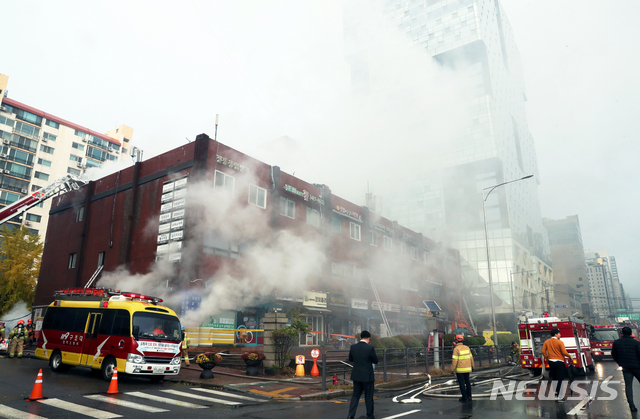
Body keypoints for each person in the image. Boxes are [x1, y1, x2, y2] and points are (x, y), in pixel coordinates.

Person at [347, 330, 379, 419]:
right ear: (368, 338)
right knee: (368, 397)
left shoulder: (353, 347)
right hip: (367, 376)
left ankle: (350, 415)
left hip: (356, 375)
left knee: (355, 396)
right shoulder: (370, 348)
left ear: (360, 338)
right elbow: (375, 360)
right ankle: (370, 416)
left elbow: (350, 359)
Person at [612, 326, 640, 412]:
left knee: (628, 386)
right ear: (631, 333)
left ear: (622, 333)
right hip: (637, 367)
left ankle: (632, 406)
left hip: (626, 368)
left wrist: (620, 362)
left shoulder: (617, 343)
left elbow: (614, 354)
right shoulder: (636, 343)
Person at [541, 328, 573, 401]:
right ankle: (558, 395)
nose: (560, 334)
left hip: (551, 362)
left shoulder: (546, 342)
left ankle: (555, 393)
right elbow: (564, 352)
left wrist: (547, 358)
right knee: (560, 378)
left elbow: (543, 351)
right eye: (559, 333)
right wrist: (570, 356)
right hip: (559, 362)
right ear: (556, 334)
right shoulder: (560, 342)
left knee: (554, 378)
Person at [451, 334, 474, 402]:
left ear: (456, 340)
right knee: (467, 382)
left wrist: (452, 369)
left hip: (460, 369)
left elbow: (454, 360)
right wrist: (473, 366)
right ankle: (469, 396)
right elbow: (471, 358)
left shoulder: (456, 349)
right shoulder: (467, 348)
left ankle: (465, 397)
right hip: (468, 369)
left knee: (462, 383)